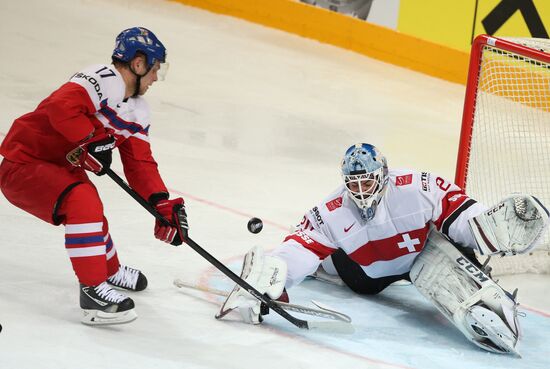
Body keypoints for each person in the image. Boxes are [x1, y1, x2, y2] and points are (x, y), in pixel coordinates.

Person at [218, 143, 549, 355]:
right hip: (365, 275)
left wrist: (487, 229)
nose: (360, 191)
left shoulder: (418, 186)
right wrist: (274, 279)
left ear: (384, 176)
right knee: (331, 261)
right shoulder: (333, 209)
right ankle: (320, 272)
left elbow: (459, 213)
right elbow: (303, 245)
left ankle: (483, 291)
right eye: (353, 184)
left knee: (448, 239)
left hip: (416, 255)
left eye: (367, 181)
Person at [0, 27, 188, 325]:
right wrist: (92, 137)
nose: (155, 78)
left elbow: (139, 162)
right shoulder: (102, 78)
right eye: (154, 69)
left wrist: (160, 203)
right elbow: (62, 108)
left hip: (58, 167)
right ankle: (92, 293)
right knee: (83, 200)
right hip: (24, 163)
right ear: (138, 64)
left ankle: (108, 270)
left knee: (91, 211)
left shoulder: (137, 111)